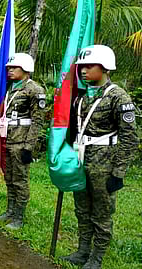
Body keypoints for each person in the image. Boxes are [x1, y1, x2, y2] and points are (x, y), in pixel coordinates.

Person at [60, 45, 138, 269]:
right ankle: (83, 250)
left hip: (104, 164)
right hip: (81, 160)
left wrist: (119, 172)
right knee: (82, 209)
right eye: (82, 67)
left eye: (89, 66)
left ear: (104, 68)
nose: (83, 71)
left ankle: (97, 257)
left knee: (101, 213)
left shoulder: (117, 96)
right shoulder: (82, 97)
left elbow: (129, 137)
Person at [0, 53, 46, 230]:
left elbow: (37, 121)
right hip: (7, 139)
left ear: (25, 69)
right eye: (9, 68)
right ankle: (10, 210)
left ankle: (19, 216)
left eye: (13, 68)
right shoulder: (10, 88)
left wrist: (29, 147)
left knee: (20, 180)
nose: (9, 70)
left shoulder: (34, 90)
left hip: (21, 141)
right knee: (9, 177)